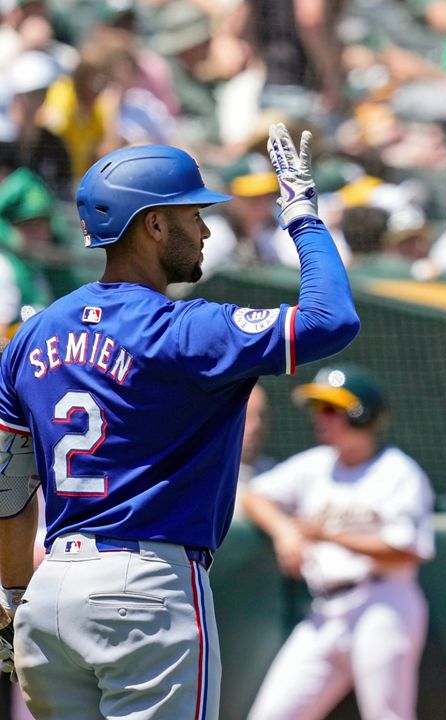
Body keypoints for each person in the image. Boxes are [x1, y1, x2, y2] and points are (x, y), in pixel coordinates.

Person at [0, 124, 360, 718]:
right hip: (147, 588)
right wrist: (303, 218)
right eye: (194, 214)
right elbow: (332, 318)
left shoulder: (32, 335)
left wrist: (15, 598)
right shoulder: (185, 328)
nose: (206, 228)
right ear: (155, 224)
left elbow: (9, 491)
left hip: (50, 593)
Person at [241, 364, 435, 720]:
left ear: (360, 415)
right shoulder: (315, 464)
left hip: (382, 603)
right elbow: (254, 496)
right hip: (324, 611)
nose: (320, 418)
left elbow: (407, 551)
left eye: (330, 410)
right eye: (318, 409)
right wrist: (285, 530)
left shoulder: (398, 472)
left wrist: (327, 535)